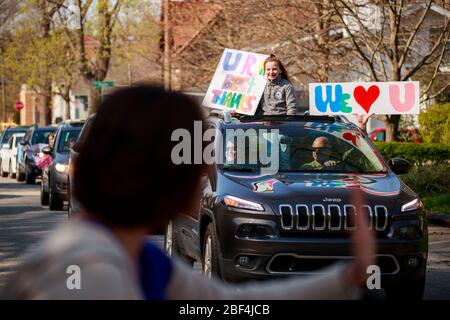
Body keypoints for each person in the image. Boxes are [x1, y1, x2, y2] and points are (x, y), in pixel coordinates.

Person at [1, 85, 374, 300]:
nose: (211, 169)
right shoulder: (92, 273)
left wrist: (348, 276)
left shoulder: (136, 256)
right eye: (201, 151)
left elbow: (231, 304)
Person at [231, 55, 299, 118]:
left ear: (280, 70)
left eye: (274, 69)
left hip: (282, 123)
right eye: (268, 69)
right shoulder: (260, 85)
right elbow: (252, 107)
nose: (271, 72)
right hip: (264, 124)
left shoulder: (287, 86)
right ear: (264, 71)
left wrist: (288, 123)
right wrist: (237, 113)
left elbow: (292, 108)